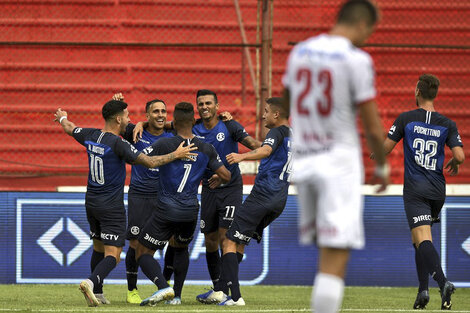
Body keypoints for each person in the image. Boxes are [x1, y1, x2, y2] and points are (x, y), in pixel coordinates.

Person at [282, 1, 389, 312]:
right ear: (361, 24)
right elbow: (371, 125)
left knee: (324, 252)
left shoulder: (299, 52)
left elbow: (288, 100)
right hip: (338, 165)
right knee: (335, 257)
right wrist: (382, 165)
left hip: (304, 162)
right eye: (369, 31)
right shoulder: (356, 60)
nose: (368, 37)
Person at [53, 100, 197, 307]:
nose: (130, 120)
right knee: (114, 255)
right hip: (111, 206)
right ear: (118, 119)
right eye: (127, 116)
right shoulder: (119, 144)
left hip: (91, 202)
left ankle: (100, 293)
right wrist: (177, 154)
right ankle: (91, 282)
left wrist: (62, 117)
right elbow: (150, 162)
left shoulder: (90, 134)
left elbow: (69, 127)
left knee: (98, 247)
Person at [197, 97, 292, 306]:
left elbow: (265, 150)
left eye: (266, 111)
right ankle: (222, 289)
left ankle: (236, 297)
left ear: (276, 114)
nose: (263, 115)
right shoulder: (292, 136)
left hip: (263, 196)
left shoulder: (276, 132)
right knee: (239, 241)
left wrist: (241, 157)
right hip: (280, 199)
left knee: (229, 240)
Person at [135, 102, 232, 306]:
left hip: (166, 207)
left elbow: (141, 159)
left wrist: (140, 126)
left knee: (142, 253)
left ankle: (163, 286)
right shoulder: (206, 147)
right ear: (193, 122)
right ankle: (177, 296)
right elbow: (226, 175)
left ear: (175, 121)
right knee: (180, 249)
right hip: (190, 210)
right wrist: (215, 178)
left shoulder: (165, 143)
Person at [381, 74, 464, 310]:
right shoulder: (447, 123)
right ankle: (422, 291)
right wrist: (456, 164)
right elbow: (459, 156)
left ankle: (442, 282)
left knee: (422, 239)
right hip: (438, 190)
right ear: (435, 94)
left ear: (417, 91)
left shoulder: (406, 119)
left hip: (416, 189)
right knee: (419, 239)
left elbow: (385, 148)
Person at [110, 93, 175, 304]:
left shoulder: (173, 134)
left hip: (164, 195)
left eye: (163, 111)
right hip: (140, 194)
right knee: (136, 244)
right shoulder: (134, 132)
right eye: (155, 111)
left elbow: (192, 122)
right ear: (147, 115)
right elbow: (115, 123)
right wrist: (119, 104)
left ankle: (166, 289)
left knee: (166, 244)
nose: (160, 115)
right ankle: (132, 290)